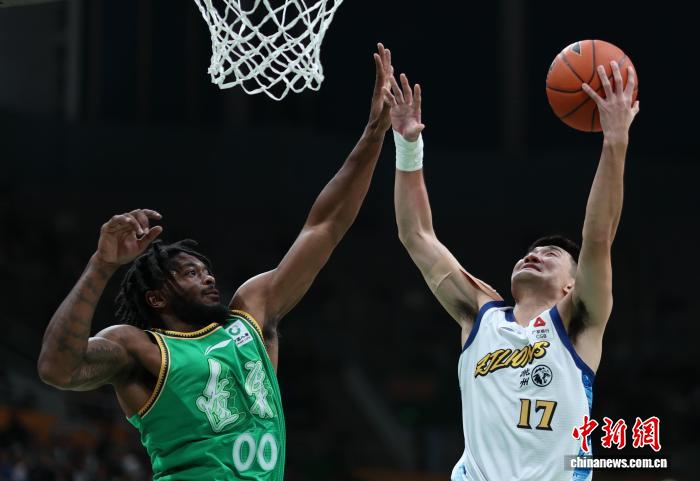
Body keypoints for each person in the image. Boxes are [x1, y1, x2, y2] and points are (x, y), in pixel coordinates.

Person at [37, 43, 395, 481]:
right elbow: (57, 368)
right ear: (156, 297)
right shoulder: (139, 347)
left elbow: (324, 227)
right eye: (190, 273)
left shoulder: (251, 315)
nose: (208, 278)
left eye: (206, 270)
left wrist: (374, 133)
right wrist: (100, 265)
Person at [384, 60, 639, 481]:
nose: (535, 255)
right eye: (530, 252)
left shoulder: (580, 323)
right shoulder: (481, 314)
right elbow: (416, 235)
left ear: (572, 284)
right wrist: (408, 144)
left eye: (551, 254)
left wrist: (615, 139)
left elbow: (598, 238)